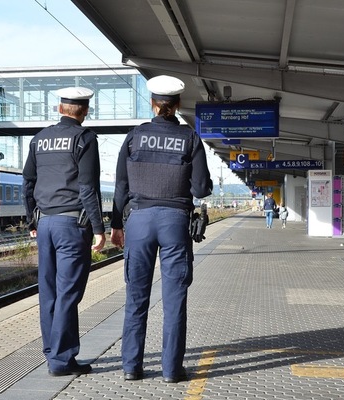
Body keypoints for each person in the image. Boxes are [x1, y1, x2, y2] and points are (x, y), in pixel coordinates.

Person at [110, 75, 213, 383]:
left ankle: (131, 367)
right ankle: (171, 370)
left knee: (136, 297)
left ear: (153, 104)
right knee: (174, 299)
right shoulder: (190, 138)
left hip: (138, 221)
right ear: (177, 105)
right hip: (175, 222)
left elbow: (121, 185)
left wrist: (116, 225)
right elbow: (201, 188)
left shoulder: (134, 137)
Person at [22, 86, 106, 377]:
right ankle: (61, 360)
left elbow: (28, 182)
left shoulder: (39, 139)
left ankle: (52, 353)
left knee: (49, 293)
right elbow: (88, 187)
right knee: (68, 293)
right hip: (71, 225)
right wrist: (99, 228)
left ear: (60, 109)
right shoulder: (85, 139)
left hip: (45, 224)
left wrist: (32, 221)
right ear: (85, 111)